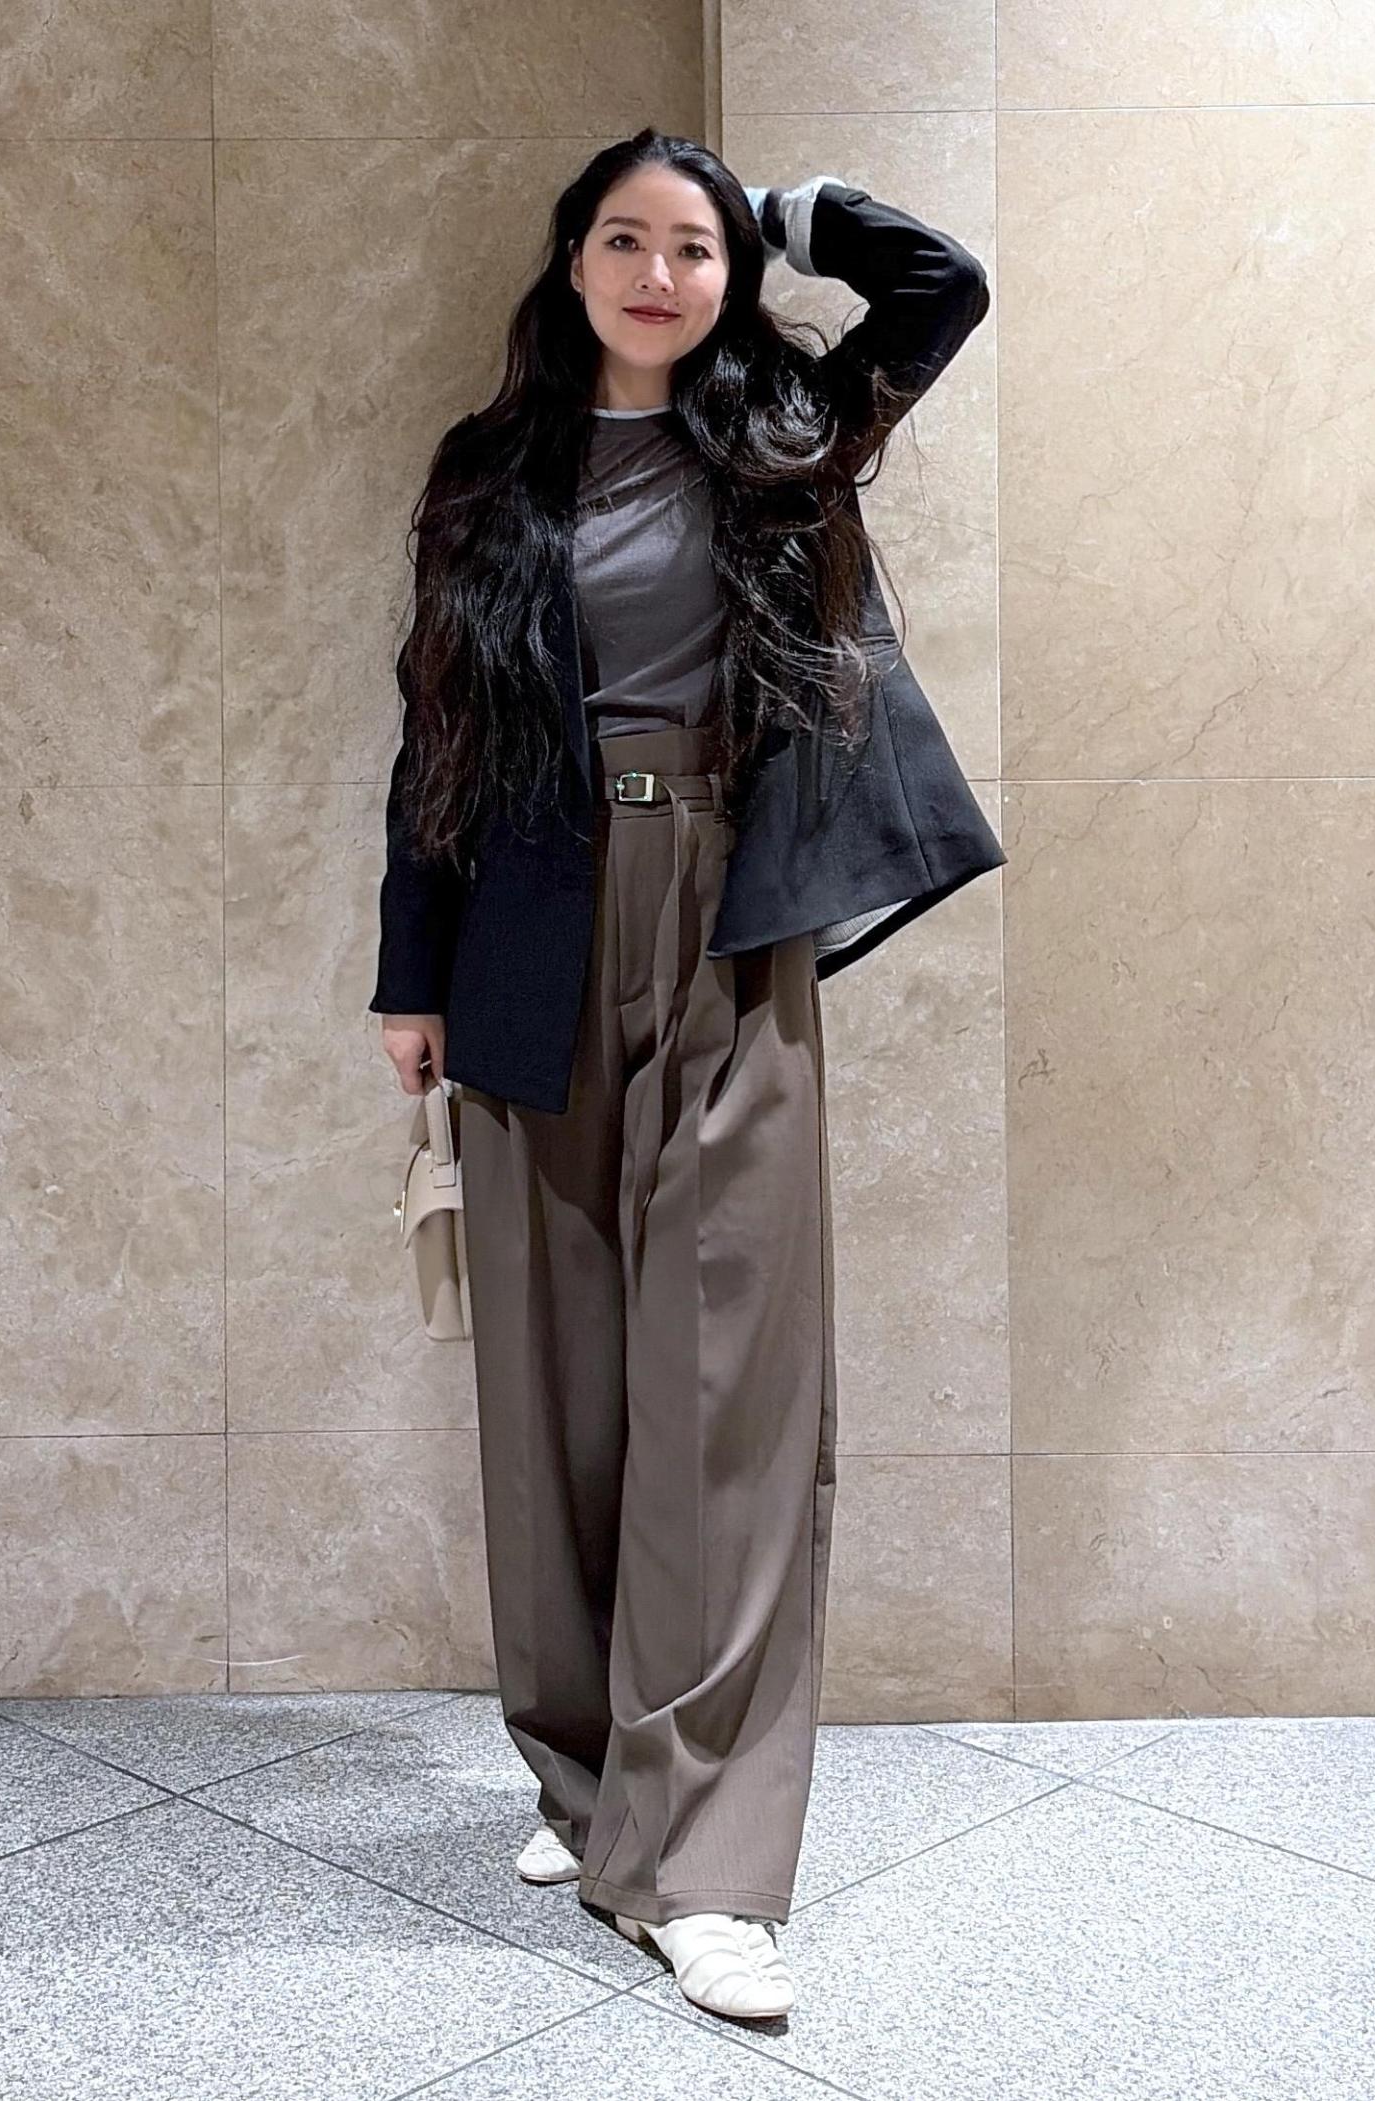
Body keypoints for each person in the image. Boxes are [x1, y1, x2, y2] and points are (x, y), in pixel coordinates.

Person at [370, 129, 1003, 2023]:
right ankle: (585, 1773)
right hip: (530, 930)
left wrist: (793, 217)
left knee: (727, 1390)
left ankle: (706, 1860)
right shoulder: (489, 472)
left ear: (730, 277)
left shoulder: (786, 433)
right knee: (557, 1390)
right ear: (572, 264)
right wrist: (410, 975)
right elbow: (434, 728)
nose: (659, 274)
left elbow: (942, 287)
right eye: (626, 241)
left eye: (696, 247)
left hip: (733, 924)